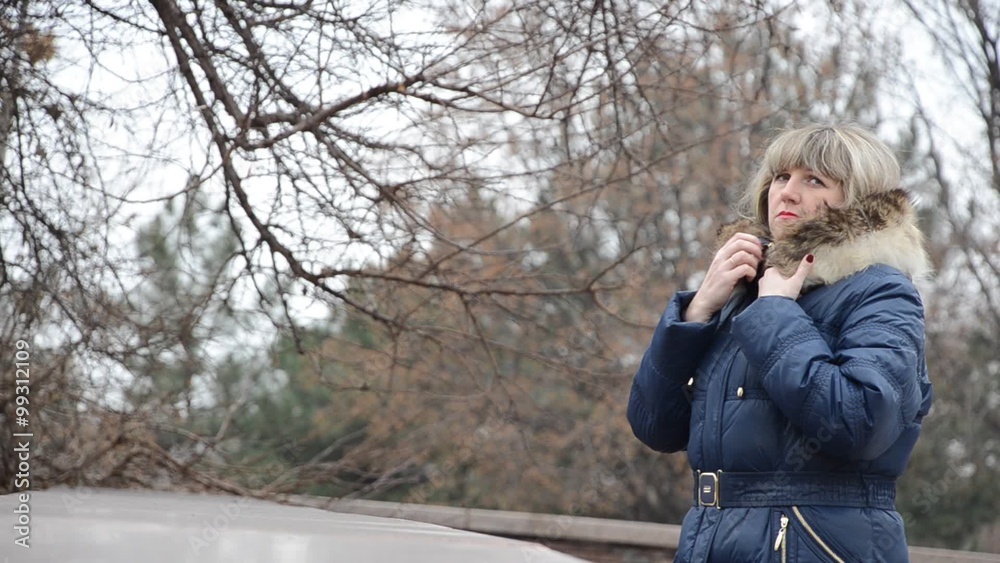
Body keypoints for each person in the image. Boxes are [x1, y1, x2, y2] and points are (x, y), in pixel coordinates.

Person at [627, 123, 933, 562]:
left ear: (857, 201)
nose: (787, 193)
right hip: (709, 540)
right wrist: (697, 313)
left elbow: (862, 423)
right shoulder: (745, 292)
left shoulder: (881, 291)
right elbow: (654, 426)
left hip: (816, 545)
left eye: (814, 180)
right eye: (781, 176)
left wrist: (774, 314)